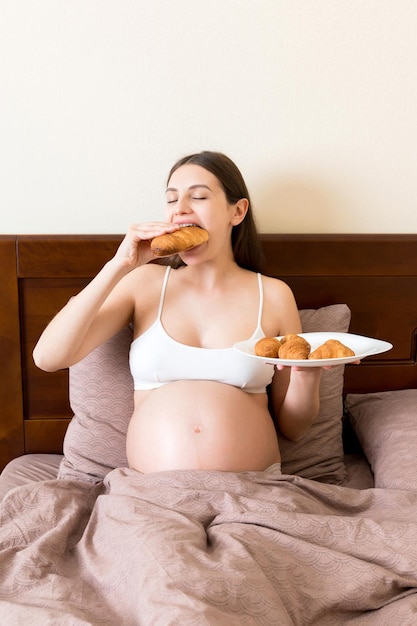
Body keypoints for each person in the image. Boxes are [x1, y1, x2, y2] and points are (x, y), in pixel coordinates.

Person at [33, 151, 323, 474]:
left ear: (237, 211)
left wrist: (306, 376)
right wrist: (119, 265)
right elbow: (48, 357)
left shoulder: (274, 295)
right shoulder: (144, 284)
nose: (180, 208)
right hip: (153, 496)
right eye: (171, 200)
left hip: (253, 492)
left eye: (198, 196)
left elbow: (294, 428)